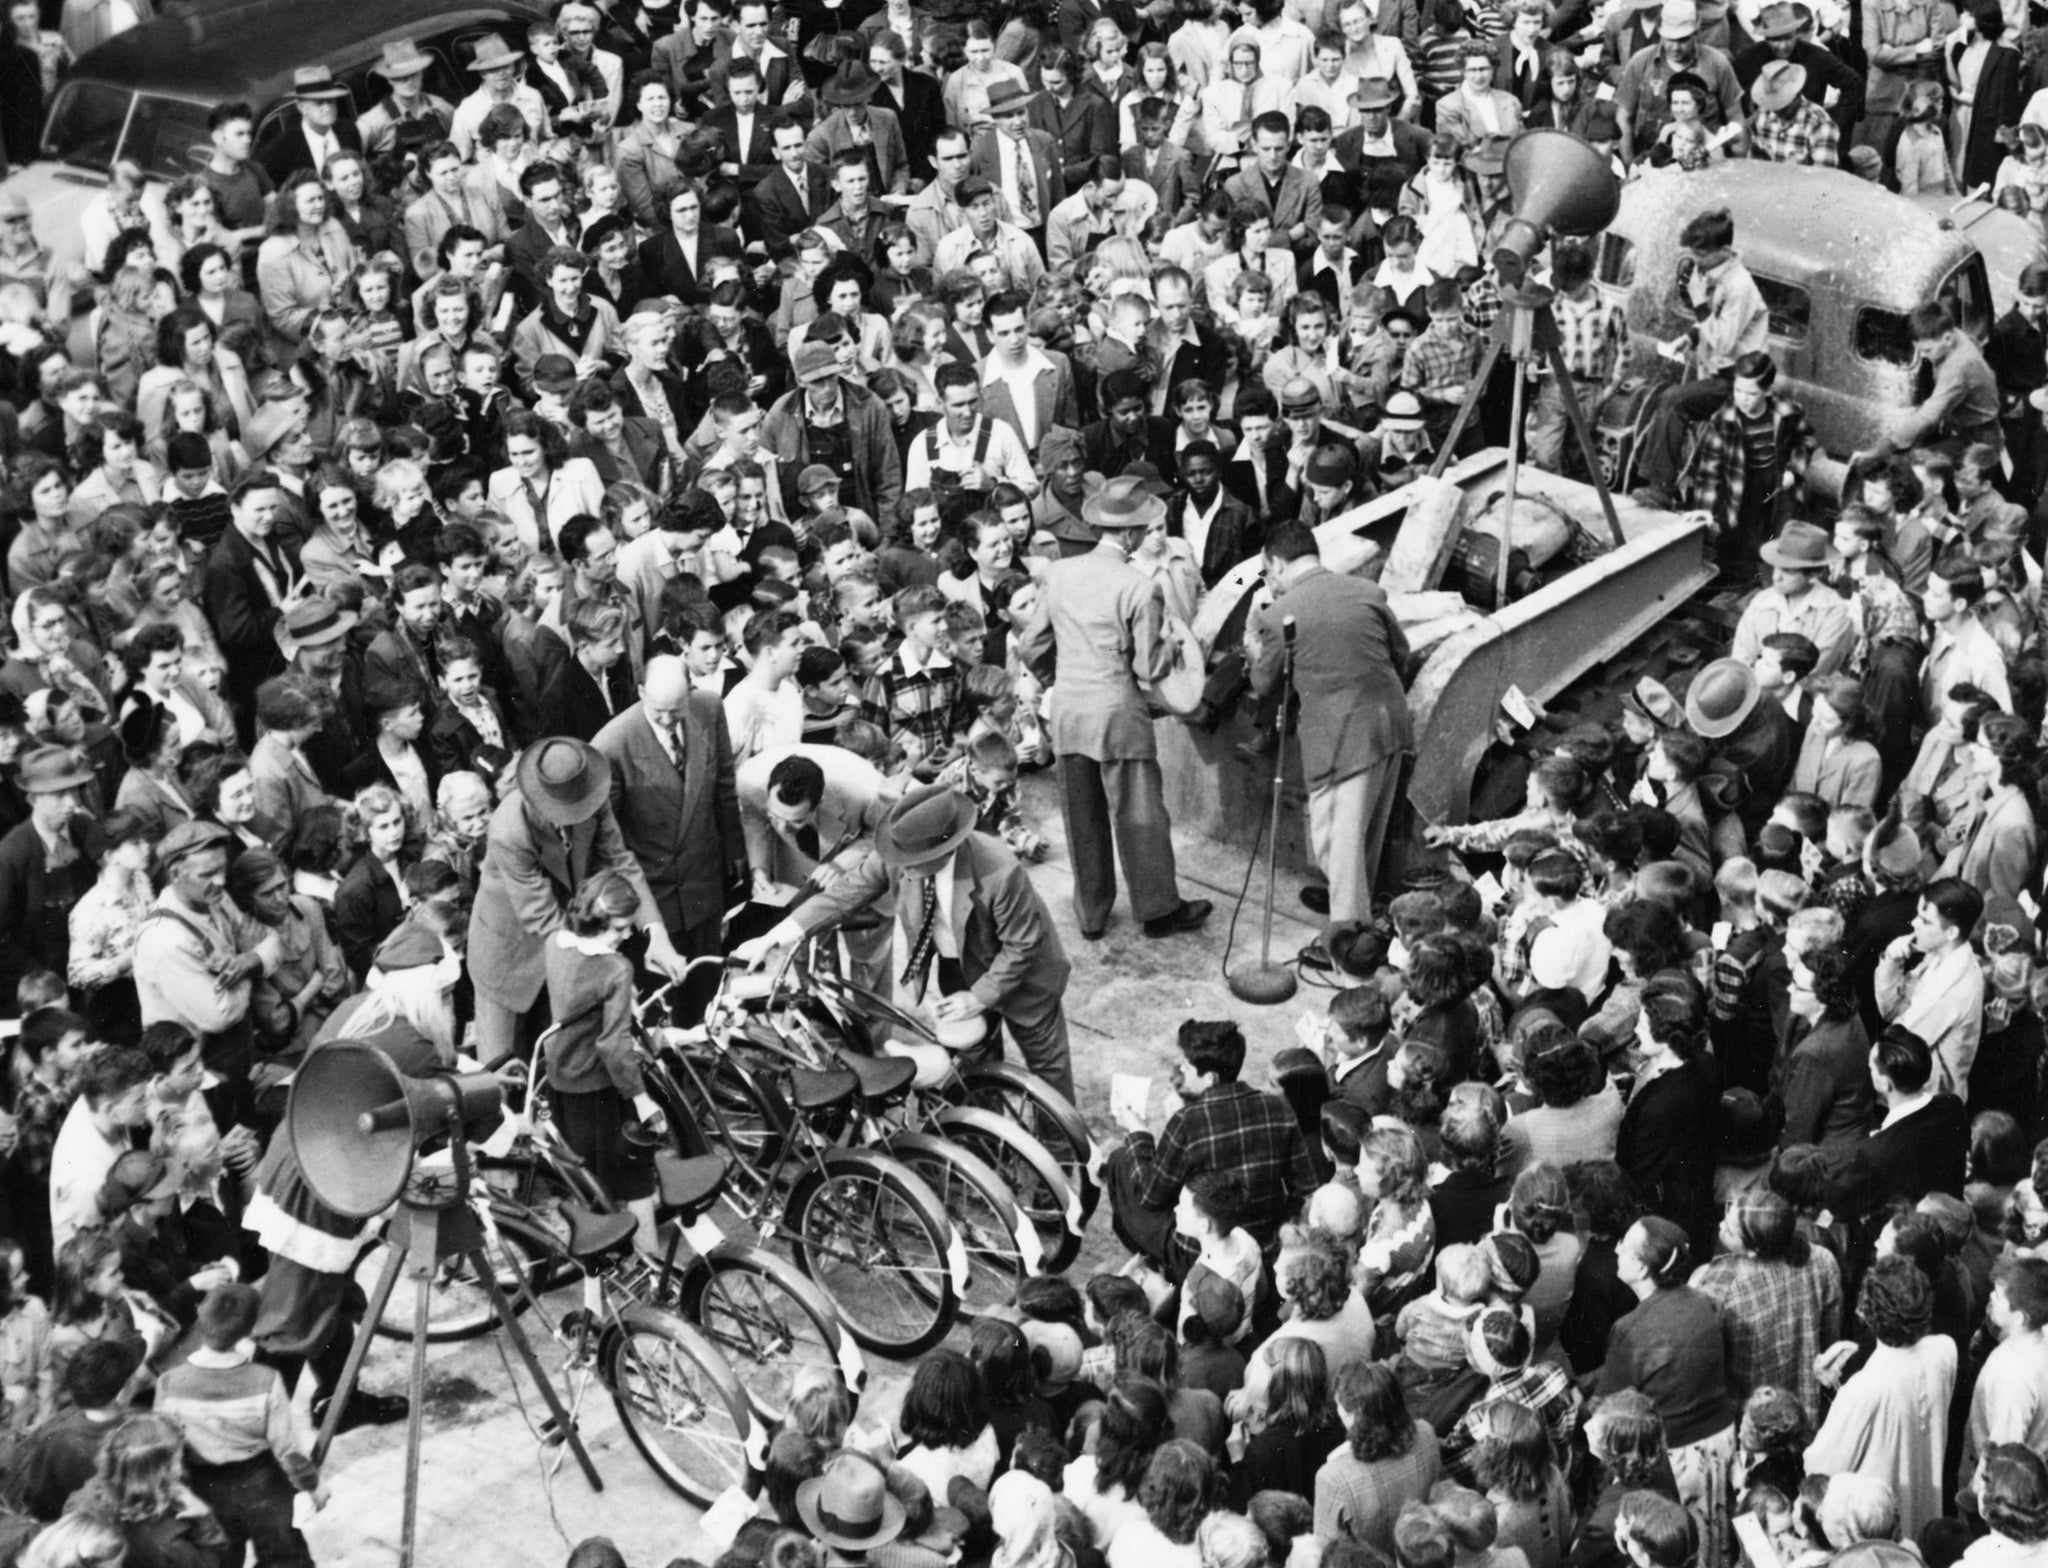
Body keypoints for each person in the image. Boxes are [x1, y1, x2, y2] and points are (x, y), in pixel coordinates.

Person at [737, 784, 1075, 1102]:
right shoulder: (899, 854)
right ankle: (986, 1136)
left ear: (945, 850)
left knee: (1048, 1075)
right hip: (959, 967)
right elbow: (842, 896)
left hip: (1027, 981)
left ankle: (1064, 1156)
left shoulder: (999, 870)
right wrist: (773, 937)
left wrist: (978, 998)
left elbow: (1023, 947)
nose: (900, 870)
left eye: (911, 863)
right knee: (977, 1065)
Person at [1016, 478, 1211, 942]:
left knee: (1081, 820)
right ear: (1127, 535)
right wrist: (1169, 646)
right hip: (1118, 717)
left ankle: (1092, 915)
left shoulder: (1059, 574)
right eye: (1143, 528)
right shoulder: (1139, 588)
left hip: (1069, 712)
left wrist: (1058, 681)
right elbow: (1149, 666)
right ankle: (1158, 910)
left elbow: (1031, 645)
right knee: (1141, 817)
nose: (1145, 535)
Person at [467, 737, 686, 1067]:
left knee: (566, 1060)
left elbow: (620, 861)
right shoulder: (509, 829)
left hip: (568, 944)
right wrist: (606, 976)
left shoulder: (591, 796)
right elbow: (541, 918)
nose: (575, 815)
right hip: (510, 959)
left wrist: (656, 934)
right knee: (503, 1075)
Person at [1248, 521, 1411, 951]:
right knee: (1363, 834)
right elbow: (1402, 653)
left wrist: (1253, 651)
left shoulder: (1277, 614)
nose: (1271, 581)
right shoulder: (1365, 592)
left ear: (1278, 563)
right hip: (1390, 723)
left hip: (1343, 741)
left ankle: (1348, 938)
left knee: (1337, 841)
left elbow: (1263, 683)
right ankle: (1354, 904)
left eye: (1268, 573)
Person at [1107, 1018, 1318, 1267]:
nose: (1182, 1071)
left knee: (1121, 1160)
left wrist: (1138, 1131)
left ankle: (1146, 1255)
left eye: (1187, 1067)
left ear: (1209, 1078)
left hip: (1201, 1250)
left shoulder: (1187, 1121)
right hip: (1264, 1242)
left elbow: (1151, 1196)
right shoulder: (1278, 1108)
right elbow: (1304, 1188)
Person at [592, 654, 745, 978]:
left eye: (676, 711)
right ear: (641, 692)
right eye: (658, 712)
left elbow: (724, 784)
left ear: (690, 692)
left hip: (705, 882)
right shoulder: (611, 745)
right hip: (655, 893)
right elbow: (609, 841)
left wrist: (735, 850)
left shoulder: (709, 708)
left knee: (707, 983)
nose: (666, 720)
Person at [154, 1282, 320, 1568]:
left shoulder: (169, 1383)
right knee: (284, 1557)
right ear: (250, 1330)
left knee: (220, 1558)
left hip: (202, 1485)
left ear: (200, 1317)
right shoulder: (265, 1380)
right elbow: (288, 1449)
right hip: (261, 1482)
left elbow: (164, 1444)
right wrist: (313, 1486)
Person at [1804, 1254, 1956, 1540]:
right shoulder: (1945, 1351)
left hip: (1878, 1527)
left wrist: (1831, 1389)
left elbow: (1820, 1466)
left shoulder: (1862, 1389)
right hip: (1927, 1515)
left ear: (1864, 1313)